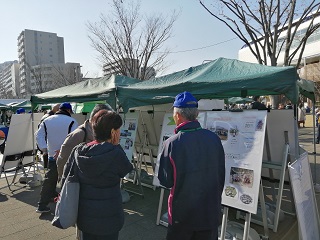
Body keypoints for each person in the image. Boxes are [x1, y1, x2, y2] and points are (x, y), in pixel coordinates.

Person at [158, 91, 225, 240]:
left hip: (182, 216)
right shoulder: (214, 138)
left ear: (177, 115)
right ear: (196, 114)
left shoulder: (171, 144)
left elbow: (165, 180)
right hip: (210, 212)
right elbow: (221, 175)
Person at [62, 110, 133, 240]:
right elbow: (126, 169)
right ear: (113, 132)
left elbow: (66, 176)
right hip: (109, 218)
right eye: (118, 130)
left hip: (85, 216)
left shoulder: (78, 151)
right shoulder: (115, 153)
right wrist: (116, 145)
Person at [36, 102, 78, 213]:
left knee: (49, 180)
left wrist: (44, 149)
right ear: (69, 111)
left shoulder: (47, 120)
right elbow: (75, 139)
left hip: (52, 156)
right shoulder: (72, 121)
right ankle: (66, 208)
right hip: (67, 156)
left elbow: (38, 135)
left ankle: (42, 204)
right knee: (68, 181)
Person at [57, 103, 113, 181]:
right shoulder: (78, 135)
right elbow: (63, 160)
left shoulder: (102, 134)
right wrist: (68, 182)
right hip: (78, 184)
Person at [38, 103, 61, 169]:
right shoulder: (49, 117)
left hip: (47, 143)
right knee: (49, 167)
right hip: (48, 143)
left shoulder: (47, 116)